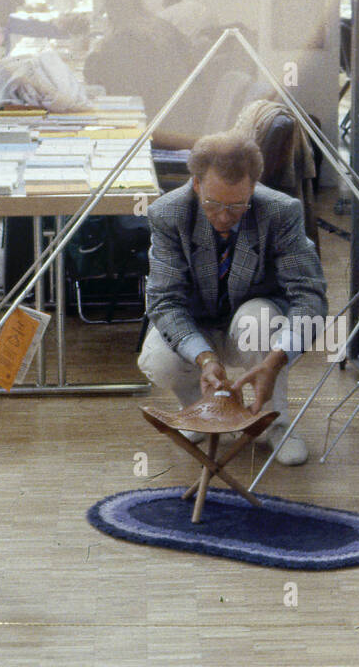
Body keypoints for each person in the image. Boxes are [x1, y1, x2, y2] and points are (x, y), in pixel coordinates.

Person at [138, 132, 328, 466]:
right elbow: (164, 302)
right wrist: (206, 359)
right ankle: (201, 410)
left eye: (237, 205)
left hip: (254, 325)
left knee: (261, 322)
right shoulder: (167, 214)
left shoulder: (282, 212)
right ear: (196, 185)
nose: (225, 216)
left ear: (253, 188)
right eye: (213, 204)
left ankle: (275, 422)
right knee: (159, 359)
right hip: (198, 328)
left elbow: (309, 296)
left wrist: (276, 359)